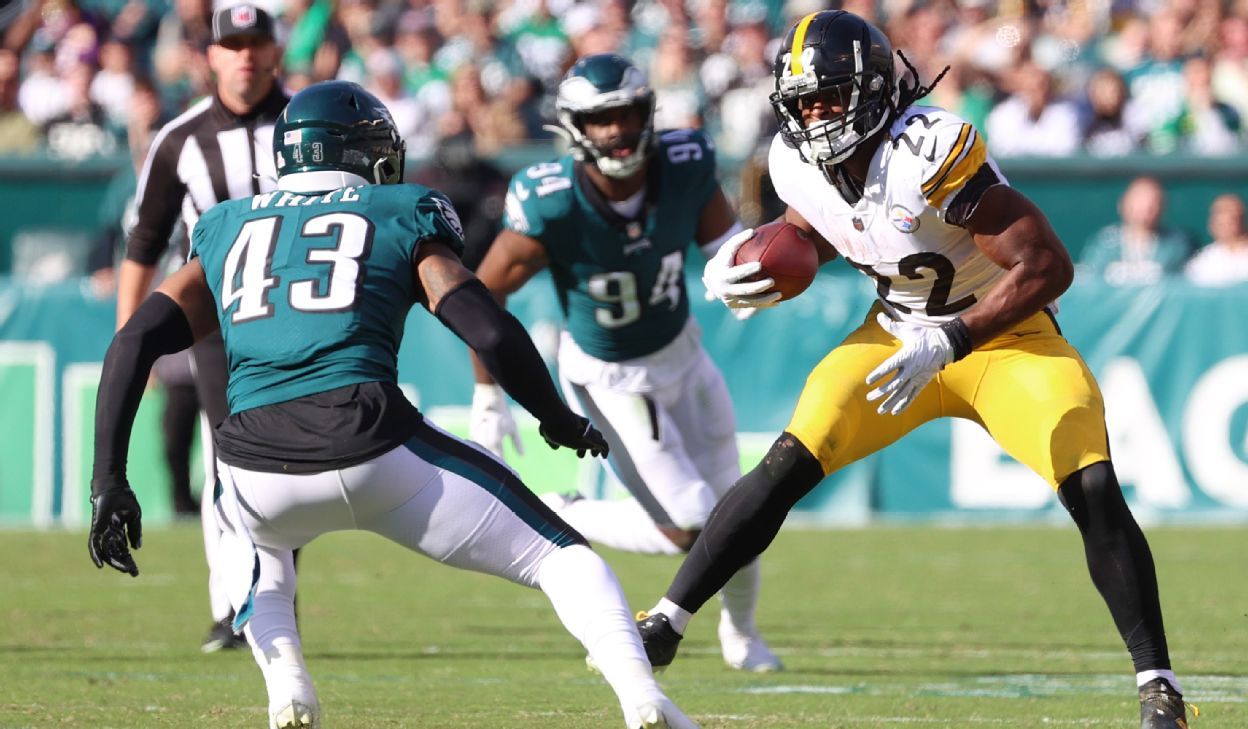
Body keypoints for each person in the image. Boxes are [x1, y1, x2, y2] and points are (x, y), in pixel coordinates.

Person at [634, 11, 1193, 729]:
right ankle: (669, 622)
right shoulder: (793, 162)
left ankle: (1160, 685)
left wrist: (954, 337)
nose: (814, 115)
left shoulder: (930, 147)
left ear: (869, 91)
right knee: (788, 459)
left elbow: (1048, 265)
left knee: (1089, 478)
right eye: (802, 102)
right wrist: (757, 263)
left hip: (1005, 338)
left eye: (829, 97)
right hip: (897, 335)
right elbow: (829, 232)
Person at [86, 80, 697, 729]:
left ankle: (288, 687)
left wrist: (108, 480)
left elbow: (133, 341)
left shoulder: (228, 224)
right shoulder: (400, 209)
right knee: (566, 559)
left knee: (254, 558)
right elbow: (487, 327)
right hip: (373, 441)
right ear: (361, 152)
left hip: (254, 463)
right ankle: (642, 697)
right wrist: (554, 416)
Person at [471, 53, 783, 673]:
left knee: (743, 508)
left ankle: (742, 634)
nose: (616, 130)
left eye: (627, 113)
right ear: (574, 128)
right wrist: (487, 393)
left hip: (685, 355)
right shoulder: (552, 199)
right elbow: (481, 296)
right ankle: (565, 510)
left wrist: (747, 269)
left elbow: (720, 245)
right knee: (693, 526)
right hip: (612, 378)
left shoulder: (684, 163)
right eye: (600, 118)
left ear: (647, 113)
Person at [116, 4, 290, 652]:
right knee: (227, 462)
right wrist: (131, 346)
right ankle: (236, 604)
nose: (244, 55)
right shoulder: (180, 139)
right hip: (217, 322)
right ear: (210, 55)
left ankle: (273, 594)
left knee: (295, 464)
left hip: (303, 317)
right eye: (232, 44)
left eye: (256, 42)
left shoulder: (311, 124)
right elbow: (144, 247)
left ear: (275, 51)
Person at [1080, 176, 1193, 286]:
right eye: (1139, 200)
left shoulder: (1177, 245)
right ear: (1123, 204)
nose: (1146, 208)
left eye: (1153, 203)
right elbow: (1091, 281)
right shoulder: (1104, 243)